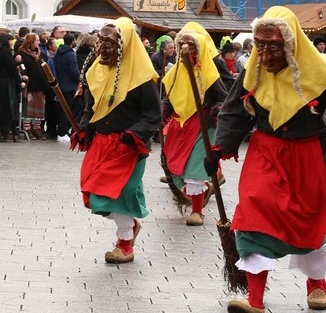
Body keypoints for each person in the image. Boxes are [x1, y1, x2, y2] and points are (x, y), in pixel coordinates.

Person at [210, 6, 326, 313]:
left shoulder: (322, 72)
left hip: (310, 156)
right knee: (254, 212)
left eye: (274, 46)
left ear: (291, 43)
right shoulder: (251, 71)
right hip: (266, 152)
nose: (266, 53)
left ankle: (317, 283)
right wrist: (220, 146)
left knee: (308, 221)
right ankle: (254, 300)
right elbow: (233, 111)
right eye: (260, 45)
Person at [74, 18, 159, 264]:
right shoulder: (96, 71)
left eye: (109, 42)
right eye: (101, 40)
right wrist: (83, 129)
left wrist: (134, 135)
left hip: (127, 147)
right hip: (101, 143)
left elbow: (153, 115)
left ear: (125, 45)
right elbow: (92, 107)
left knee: (116, 196)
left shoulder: (142, 77)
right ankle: (130, 225)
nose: (102, 46)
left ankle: (125, 244)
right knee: (95, 195)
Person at [160, 23, 226, 226]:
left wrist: (215, 111)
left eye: (191, 46)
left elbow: (221, 99)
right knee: (174, 166)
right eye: (183, 46)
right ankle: (199, 192)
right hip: (179, 126)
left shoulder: (210, 74)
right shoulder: (173, 74)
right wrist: (162, 109)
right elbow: (168, 98)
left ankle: (197, 211)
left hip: (202, 127)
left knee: (194, 170)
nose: (186, 50)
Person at [17, 33, 49, 139]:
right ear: (30, 41)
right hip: (30, 85)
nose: (39, 42)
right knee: (29, 108)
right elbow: (20, 67)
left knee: (39, 107)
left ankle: (36, 128)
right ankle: (27, 128)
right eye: (36, 40)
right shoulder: (22, 53)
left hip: (40, 85)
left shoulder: (41, 54)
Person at [0, 32, 21, 141]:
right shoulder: (6, 52)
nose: (12, 42)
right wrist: (19, 81)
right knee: (7, 107)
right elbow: (11, 68)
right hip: (5, 82)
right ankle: (5, 131)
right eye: (10, 40)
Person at [53, 33, 81, 141]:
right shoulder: (71, 54)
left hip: (60, 84)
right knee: (67, 110)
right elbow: (74, 71)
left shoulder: (58, 53)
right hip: (69, 85)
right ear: (73, 41)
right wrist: (80, 78)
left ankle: (60, 131)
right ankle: (62, 132)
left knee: (61, 109)